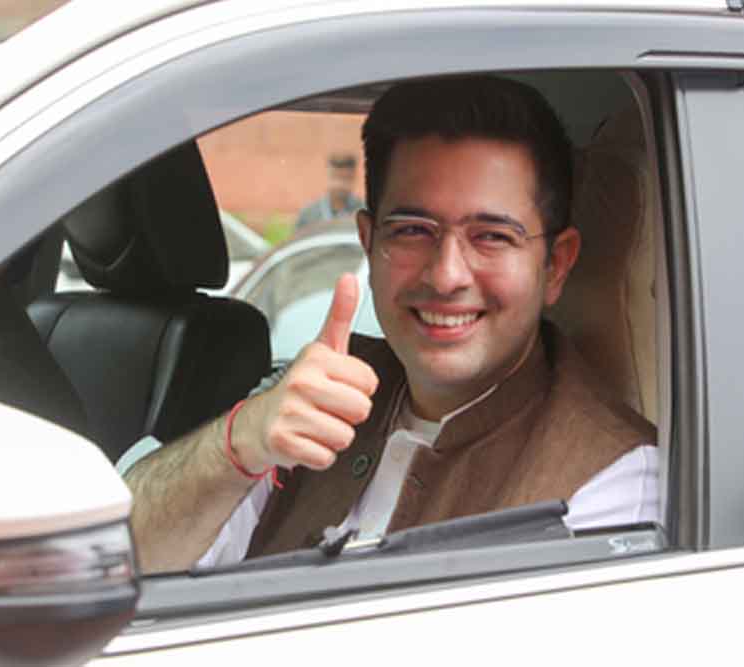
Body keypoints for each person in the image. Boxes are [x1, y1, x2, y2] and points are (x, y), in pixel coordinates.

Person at [122, 75, 658, 574]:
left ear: (556, 265)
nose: (446, 275)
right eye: (413, 230)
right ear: (368, 241)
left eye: (492, 236)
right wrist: (239, 442)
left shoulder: (609, 479)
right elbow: (122, 563)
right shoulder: (317, 394)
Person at [294, 152, 365, 231]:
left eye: (345, 178)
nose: (340, 184)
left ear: (354, 178)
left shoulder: (365, 213)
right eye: (336, 177)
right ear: (327, 176)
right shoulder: (308, 215)